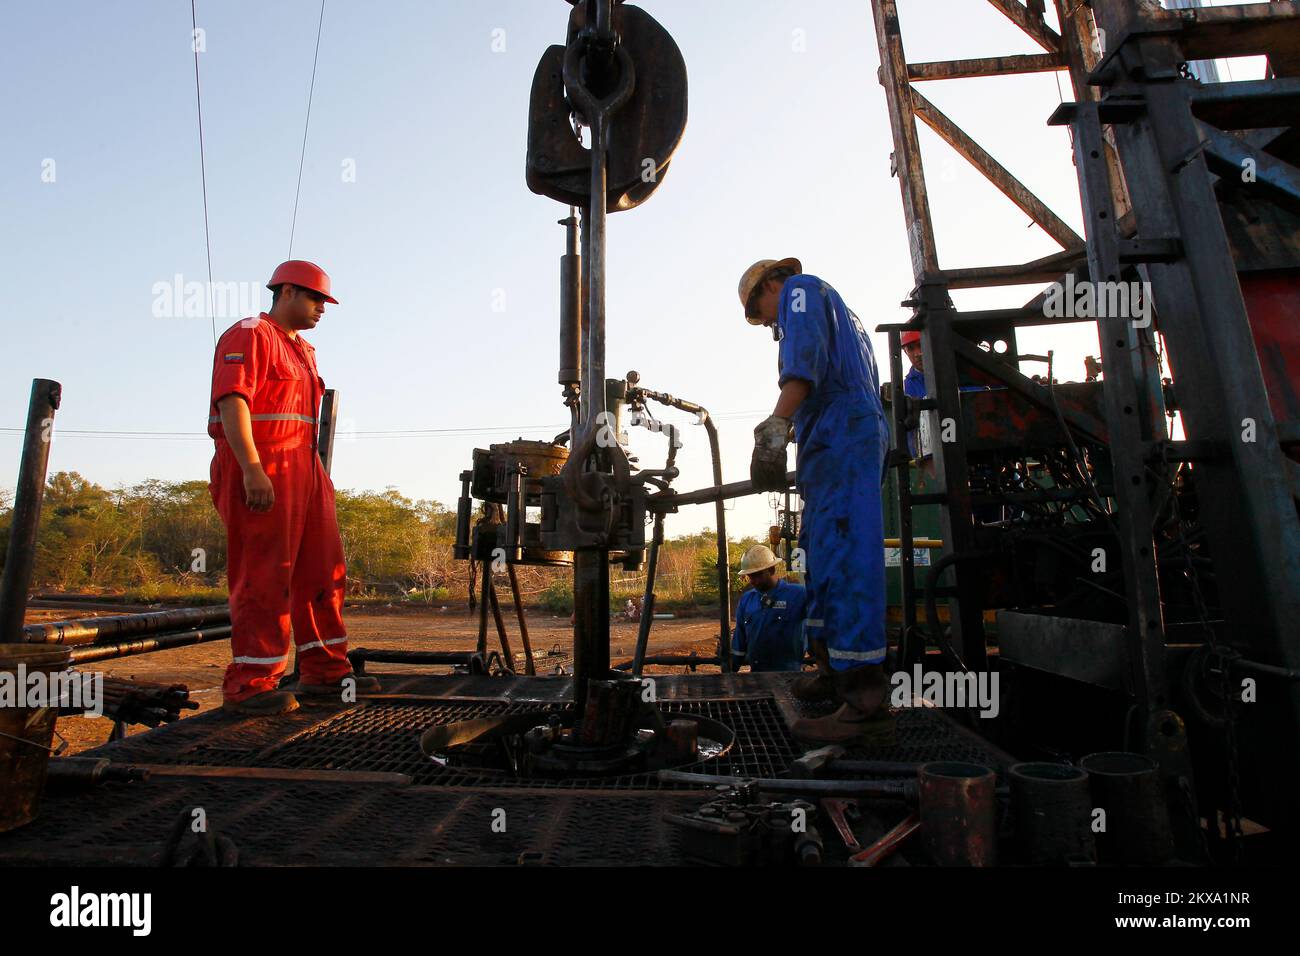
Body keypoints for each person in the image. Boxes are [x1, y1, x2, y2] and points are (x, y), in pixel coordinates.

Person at [207, 260, 379, 715]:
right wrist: (252, 468)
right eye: (314, 298)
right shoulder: (249, 333)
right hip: (264, 465)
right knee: (265, 573)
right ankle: (251, 684)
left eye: (324, 301)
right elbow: (232, 402)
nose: (321, 308)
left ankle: (325, 673)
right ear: (284, 292)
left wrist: (317, 474)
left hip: (305, 467)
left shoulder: (303, 349)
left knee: (322, 571)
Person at [739, 257, 891, 744]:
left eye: (761, 312)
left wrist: (776, 426)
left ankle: (866, 703)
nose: (769, 323)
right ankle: (832, 671)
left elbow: (803, 362)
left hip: (844, 441)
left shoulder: (800, 291)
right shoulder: (844, 318)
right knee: (820, 557)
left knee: (846, 558)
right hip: (828, 448)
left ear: (771, 284)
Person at [730, 545, 807, 672]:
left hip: (790, 673)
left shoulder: (798, 595)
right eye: (750, 576)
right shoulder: (747, 600)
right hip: (757, 674)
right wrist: (731, 670)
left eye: (757, 575)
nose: (753, 581)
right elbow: (740, 638)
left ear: (771, 570)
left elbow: (819, 627)